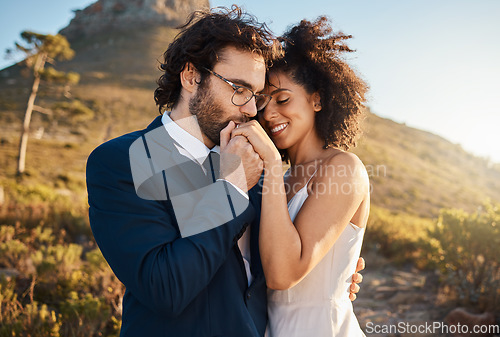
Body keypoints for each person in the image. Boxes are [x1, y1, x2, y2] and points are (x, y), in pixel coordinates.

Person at [86, 7, 362, 337]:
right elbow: (165, 288)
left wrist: (333, 274)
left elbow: (276, 261)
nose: (251, 109)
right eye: (238, 88)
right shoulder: (121, 162)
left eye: (256, 96)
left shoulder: (254, 166)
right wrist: (231, 187)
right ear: (191, 76)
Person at [231, 17, 369, 336]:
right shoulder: (271, 179)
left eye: (282, 99)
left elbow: (282, 274)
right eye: (262, 104)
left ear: (316, 99)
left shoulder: (343, 167)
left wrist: (271, 165)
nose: (269, 114)